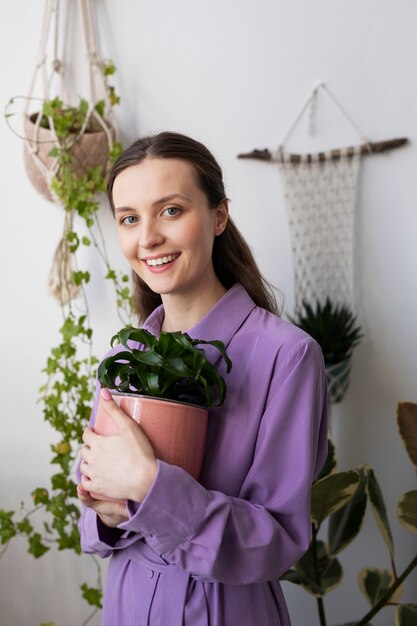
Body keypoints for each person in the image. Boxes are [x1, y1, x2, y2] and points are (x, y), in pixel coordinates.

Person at [77, 131, 328, 626]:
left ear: (218, 215)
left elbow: (277, 541)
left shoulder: (289, 356)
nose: (147, 237)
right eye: (129, 219)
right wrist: (105, 511)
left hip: (223, 610)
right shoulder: (126, 355)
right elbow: (92, 510)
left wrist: (149, 487)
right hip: (126, 605)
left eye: (170, 210)